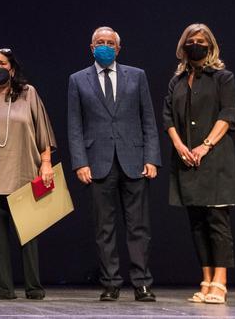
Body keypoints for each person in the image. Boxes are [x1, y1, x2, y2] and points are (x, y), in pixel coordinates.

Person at [64, 27, 160, 302]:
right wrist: (80, 162)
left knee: (138, 226)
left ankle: (142, 282)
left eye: (110, 43)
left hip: (134, 160)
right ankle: (110, 282)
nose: (105, 46)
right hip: (97, 162)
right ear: (91, 47)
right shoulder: (78, 80)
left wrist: (152, 157)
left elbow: (148, 120)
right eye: (100, 43)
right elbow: (74, 125)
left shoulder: (137, 75)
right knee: (103, 227)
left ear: (118, 49)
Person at [164, 24, 235, 305]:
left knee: (217, 221)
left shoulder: (222, 78)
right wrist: (179, 146)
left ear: (211, 46)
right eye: (191, 41)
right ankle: (205, 279)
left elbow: (228, 114)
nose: (196, 45)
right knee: (197, 222)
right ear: (183, 46)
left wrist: (205, 145)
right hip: (186, 158)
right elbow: (167, 116)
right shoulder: (176, 81)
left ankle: (221, 281)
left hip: (215, 158)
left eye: (201, 41)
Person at [0, 48, 56, 301]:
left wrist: (46, 163)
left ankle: (33, 287)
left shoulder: (28, 93)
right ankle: (3, 288)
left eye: (2, 63)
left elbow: (42, 131)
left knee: (29, 235)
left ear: (12, 68)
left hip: (23, 172)